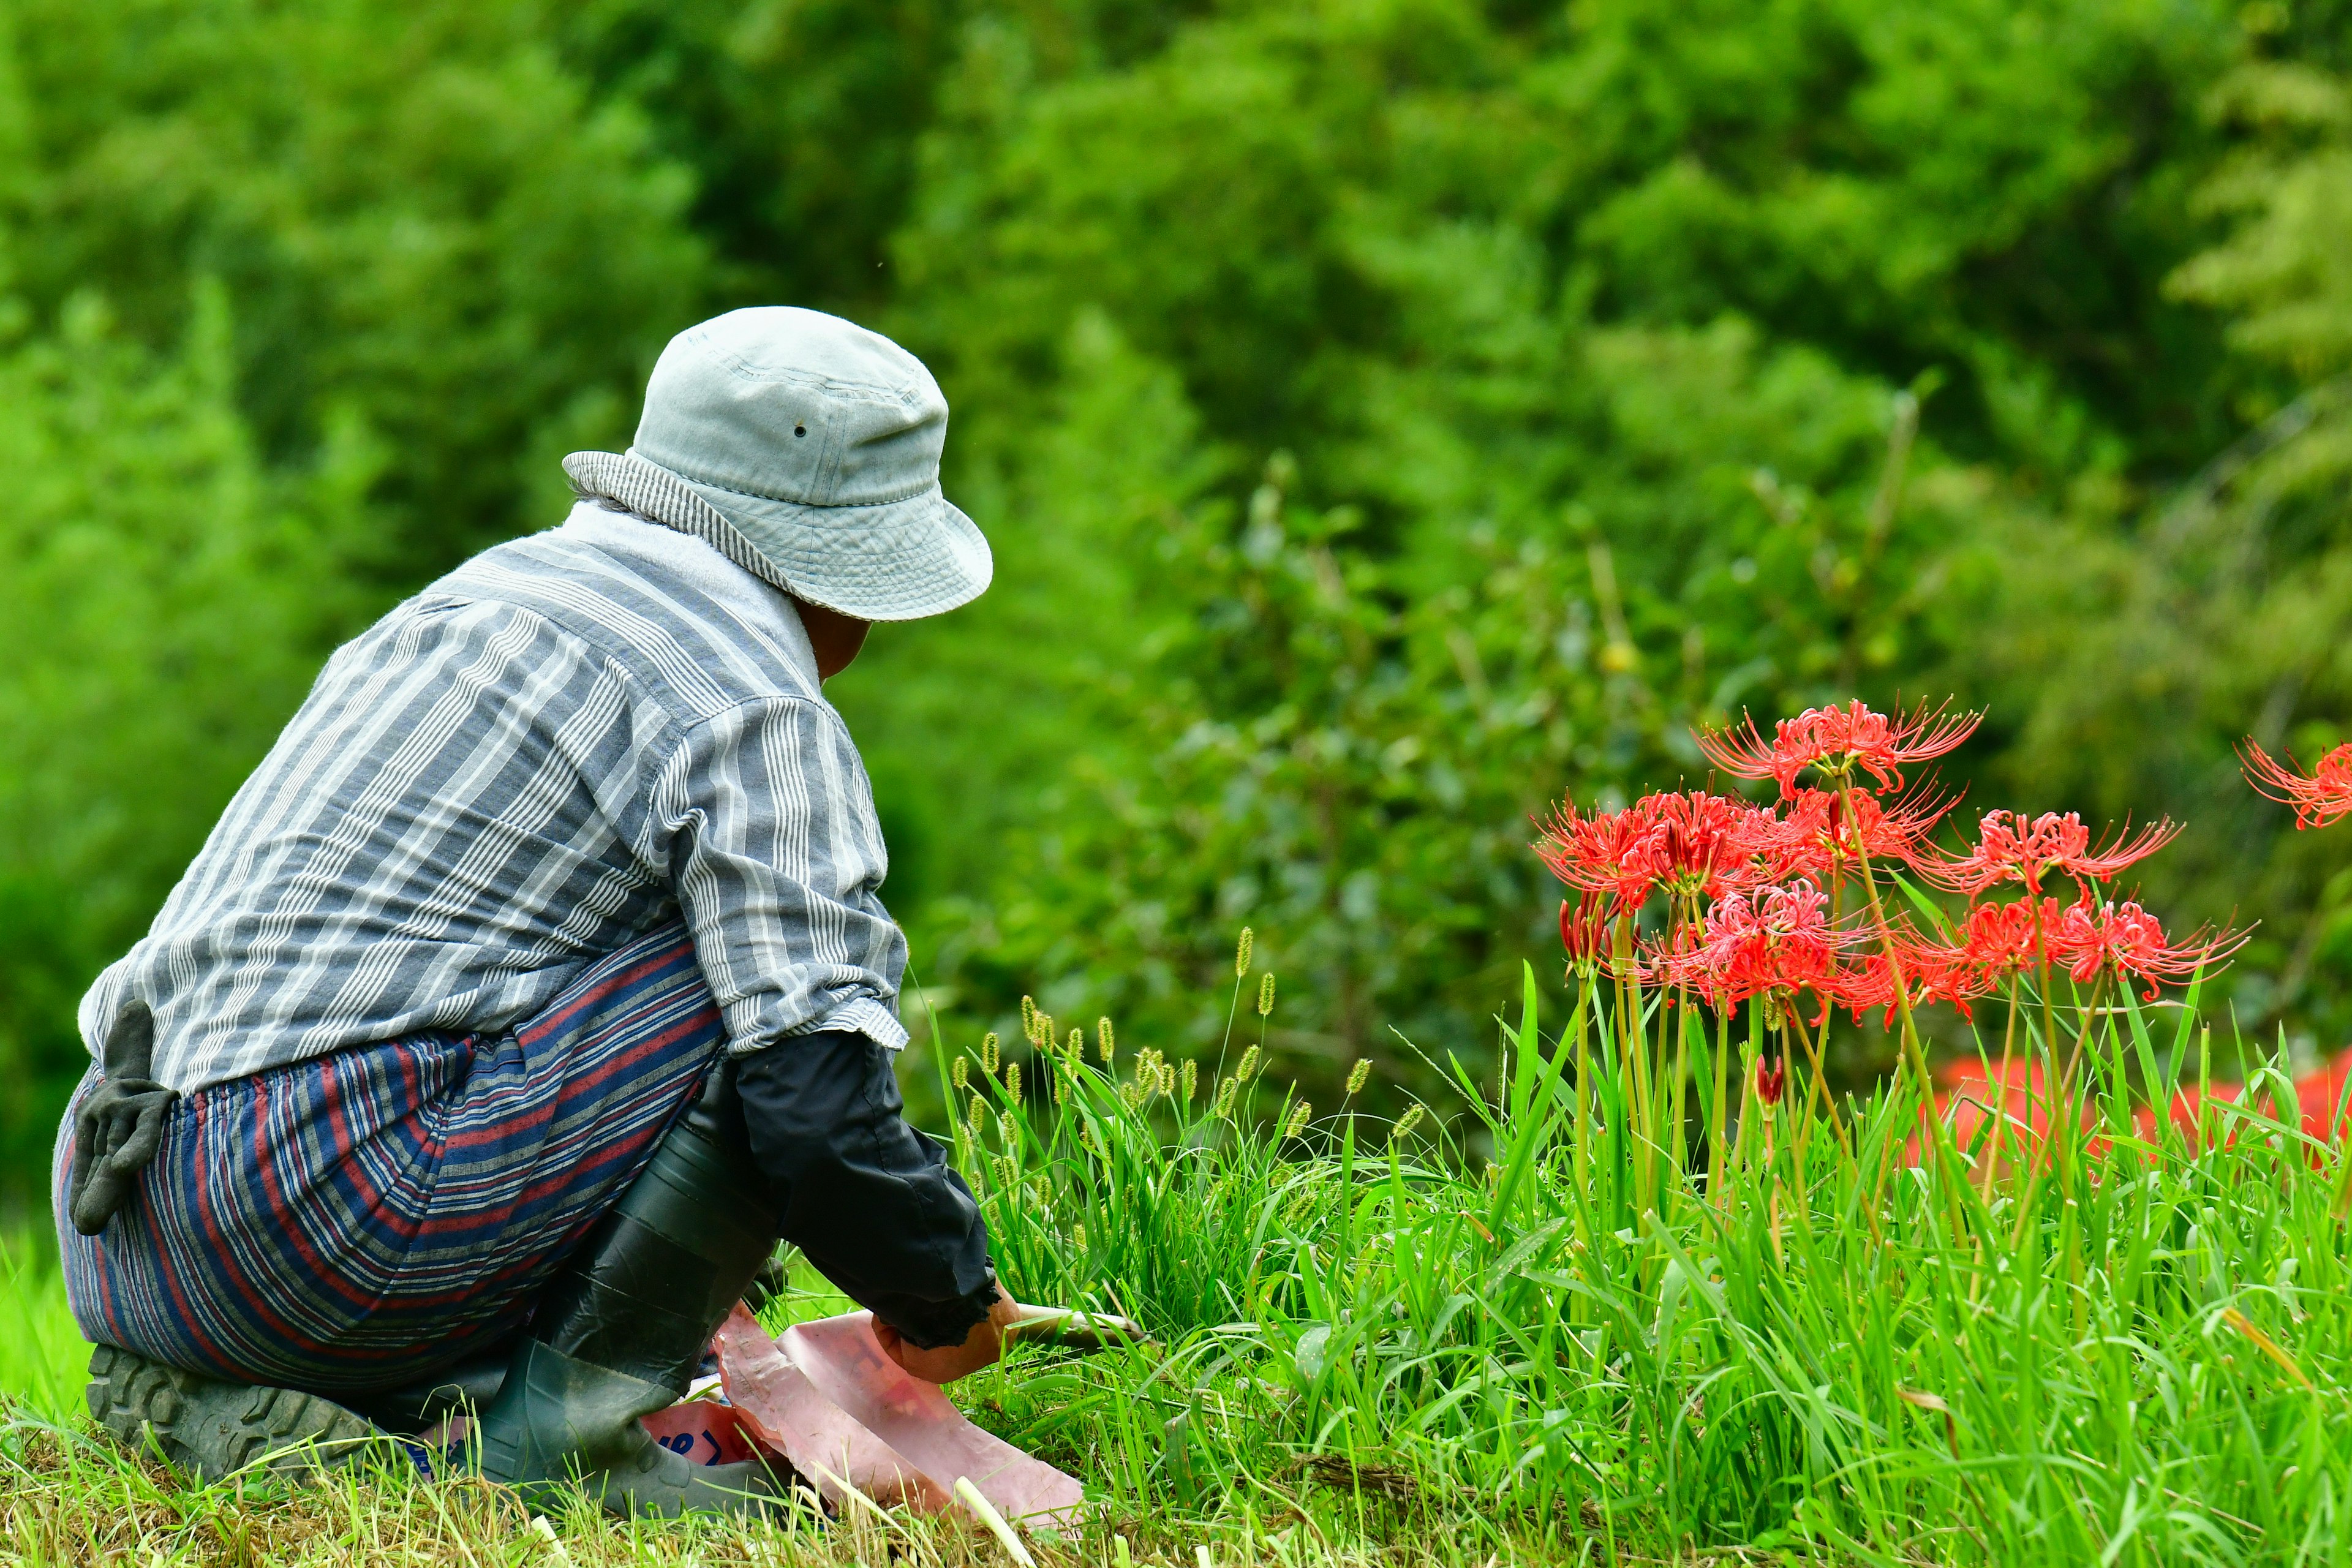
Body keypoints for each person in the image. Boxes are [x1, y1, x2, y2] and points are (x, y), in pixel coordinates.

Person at [53, 307, 1017, 1516]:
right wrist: (938, 1289)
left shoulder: (481, 596)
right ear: (832, 565)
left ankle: (345, 1401)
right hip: (312, 1225)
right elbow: (812, 1098)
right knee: (744, 978)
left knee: (613, 953)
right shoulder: (751, 706)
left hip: (123, 1213)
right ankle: (571, 1448)